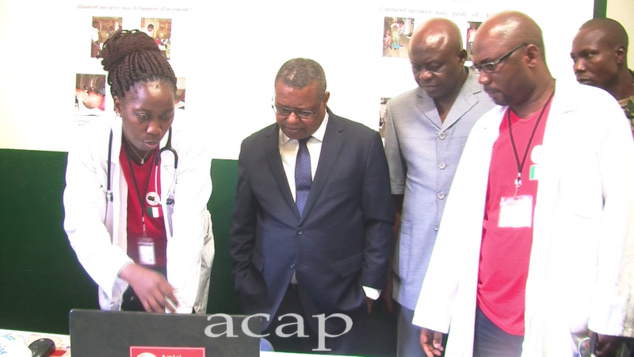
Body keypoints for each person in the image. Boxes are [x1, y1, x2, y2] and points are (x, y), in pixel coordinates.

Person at [412, 11, 634, 357]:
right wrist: (437, 309)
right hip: (486, 314)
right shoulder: (486, 129)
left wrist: (612, 313)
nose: (481, 79)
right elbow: (458, 226)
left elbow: (624, 217)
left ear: (530, 55)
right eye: (478, 67)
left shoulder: (594, 113)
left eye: (490, 66)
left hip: (560, 315)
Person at [229, 58, 394, 355]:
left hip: (340, 297)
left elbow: (379, 221)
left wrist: (369, 288)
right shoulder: (254, 147)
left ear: (324, 100)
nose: (291, 120)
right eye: (282, 109)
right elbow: (243, 223)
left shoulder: (362, 143)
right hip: (270, 296)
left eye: (304, 112)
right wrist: (244, 280)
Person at [64, 29, 214, 314]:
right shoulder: (91, 145)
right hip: (122, 262)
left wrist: (177, 312)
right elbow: (81, 223)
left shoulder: (190, 143)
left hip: (178, 264)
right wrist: (127, 269)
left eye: (166, 115)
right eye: (143, 116)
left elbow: (188, 229)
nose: (155, 128)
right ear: (119, 106)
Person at [382, 17, 495, 357]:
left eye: (433, 67)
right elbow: (394, 197)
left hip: (477, 264)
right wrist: (388, 271)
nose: (423, 76)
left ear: (462, 57)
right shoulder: (400, 109)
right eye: (416, 68)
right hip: (416, 265)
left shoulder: (494, 101)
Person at [571, 18, 634, 136]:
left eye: (588, 55)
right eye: (574, 59)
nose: (578, 67)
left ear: (619, 54)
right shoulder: (572, 111)